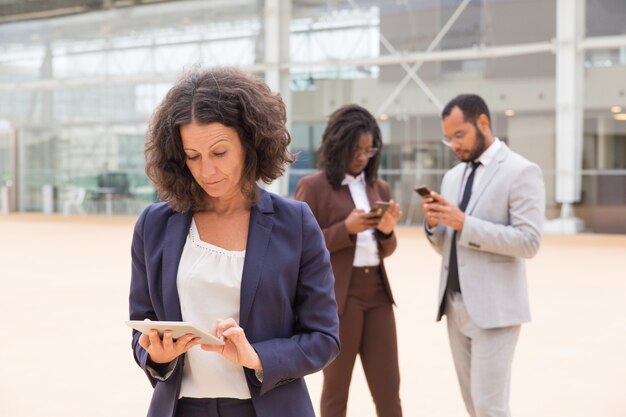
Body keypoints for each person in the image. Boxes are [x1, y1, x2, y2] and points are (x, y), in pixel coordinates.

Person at [129, 67, 340, 417]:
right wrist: (155, 354)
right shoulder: (154, 225)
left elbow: (324, 338)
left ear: (250, 142)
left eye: (220, 152)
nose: (206, 170)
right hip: (181, 410)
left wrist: (256, 356)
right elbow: (142, 324)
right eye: (192, 156)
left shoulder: (296, 223)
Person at [421, 94, 545, 417]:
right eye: (448, 138)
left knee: (490, 407)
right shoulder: (452, 177)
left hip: (496, 310)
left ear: (484, 123)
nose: (454, 145)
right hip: (454, 306)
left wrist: (464, 223)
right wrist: (435, 225)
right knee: (472, 404)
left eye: (459, 135)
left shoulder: (521, 171)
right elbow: (447, 246)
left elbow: (529, 242)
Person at [294, 104, 403, 417]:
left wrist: (385, 233)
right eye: (356, 149)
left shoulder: (378, 187)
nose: (363, 157)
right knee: (336, 392)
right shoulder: (313, 187)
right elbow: (300, 250)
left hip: (379, 295)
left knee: (389, 389)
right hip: (340, 299)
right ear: (337, 145)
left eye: (369, 150)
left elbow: (388, 248)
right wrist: (347, 229)